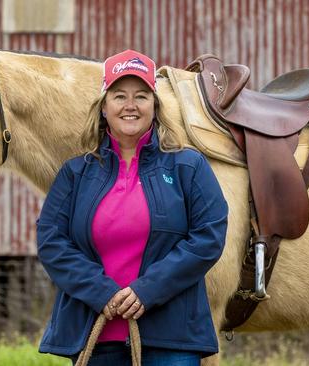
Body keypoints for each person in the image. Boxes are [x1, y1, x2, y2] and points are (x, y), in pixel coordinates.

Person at [36, 49, 228, 365]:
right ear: (103, 107)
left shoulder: (188, 167)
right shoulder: (75, 174)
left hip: (172, 341)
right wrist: (101, 293)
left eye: (141, 96)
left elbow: (209, 236)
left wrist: (146, 291)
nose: (130, 105)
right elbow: (51, 242)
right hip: (96, 337)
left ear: (155, 105)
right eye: (119, 95)